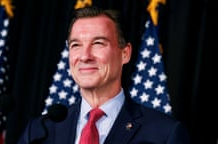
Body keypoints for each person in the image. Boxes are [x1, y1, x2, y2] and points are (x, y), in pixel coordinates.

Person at [18, 6, 190, 144]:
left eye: (98, 43)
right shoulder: (39, 131)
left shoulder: (164, 134)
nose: (85, 56)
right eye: (76, 45)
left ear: (125, 53)